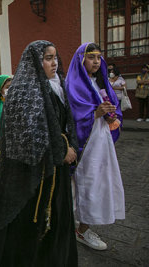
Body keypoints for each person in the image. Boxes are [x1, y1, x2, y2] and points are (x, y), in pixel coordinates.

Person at [0, 41, 78, 266]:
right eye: (48, 58)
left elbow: (66, 123)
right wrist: (62, 149)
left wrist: (68, 146)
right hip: (32, 176)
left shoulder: (57, 86)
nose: (54, 63)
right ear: (35, 61)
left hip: (56, 170)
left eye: (55, 57)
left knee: (58, 220)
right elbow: (25, 138)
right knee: (33, 226)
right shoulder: (23, 92)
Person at [66, 42, 125, 250]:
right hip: (85, 144)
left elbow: (114, 108)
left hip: (101, 141)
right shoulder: (72, 85)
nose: (96, 62)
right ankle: (77, 228)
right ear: (81, 59)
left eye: (99, 58)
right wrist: (95, 114)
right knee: (84, 185)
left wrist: (112, 116)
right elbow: (69, 118)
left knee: (99, 182)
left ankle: (82, 227)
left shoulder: (100, 82)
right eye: (91, 57)